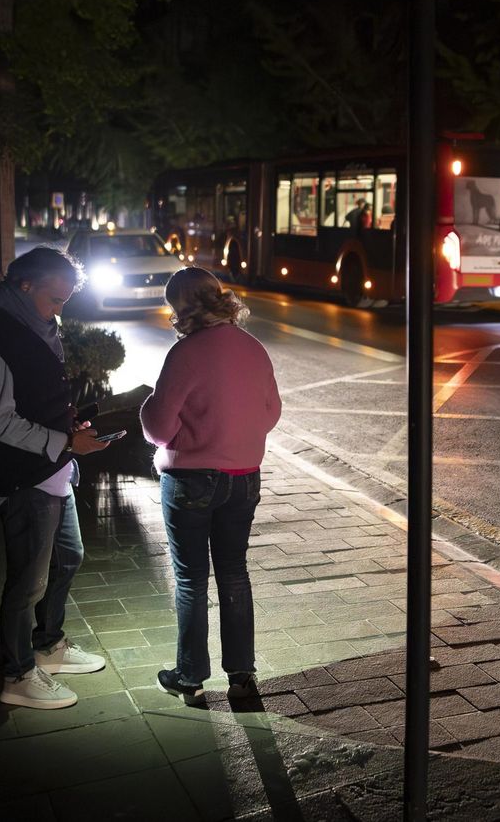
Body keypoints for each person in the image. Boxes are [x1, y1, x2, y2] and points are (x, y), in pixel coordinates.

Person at [0, 246, 114, 710]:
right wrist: (65, 442)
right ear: (24, 286)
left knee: (69, 557)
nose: (60, 309)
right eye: (55, 298)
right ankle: (18, 674)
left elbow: (40, 395)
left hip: (51, 468)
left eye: (66, 300)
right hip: (21, 477)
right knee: (27, 581)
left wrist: (71, 429)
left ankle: (48, 646)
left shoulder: (37, 324)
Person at [141, 267, 281, 704]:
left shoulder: (186, 354)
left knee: (191, 580)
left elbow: (160, 428)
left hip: (191, 481)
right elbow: (272, 412)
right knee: (235, 574)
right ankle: (242, 674)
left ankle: (189, 676)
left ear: (181, 307)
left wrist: (147, 405)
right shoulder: (254, 348)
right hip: (244, 479)